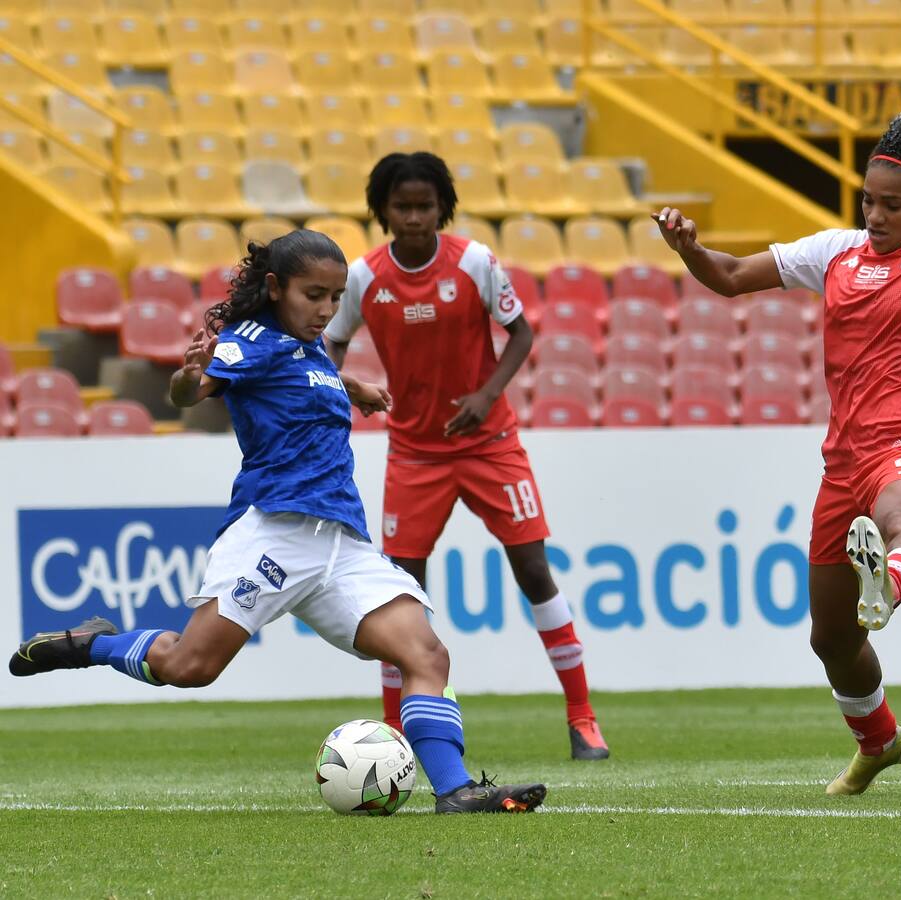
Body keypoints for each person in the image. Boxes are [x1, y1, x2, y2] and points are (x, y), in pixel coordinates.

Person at [8, 230, 547, 814]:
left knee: (426, 654)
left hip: (341, 544)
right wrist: (189, 378)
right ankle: (95, 643)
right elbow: (197, 389)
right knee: (190, 668)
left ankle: (455, 790)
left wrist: (353, 386)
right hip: (272, 534)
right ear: (275, 287)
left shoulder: (307, 347)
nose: (325, 310)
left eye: (336, 297)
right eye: (313, 294)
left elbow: (300, 375)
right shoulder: (251, 341)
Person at [655, 109, 901, 795]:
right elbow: (727, 276)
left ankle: (891, 580)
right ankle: (879, 742)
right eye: (868, 199)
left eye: (892, 204)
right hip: (841, 466)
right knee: (831, 640)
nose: (874, 214)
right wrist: (689, 248)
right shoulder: (833, 253)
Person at [322, 152, 609, 761]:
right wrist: (341, 394)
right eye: (402, 207)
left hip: (490, 444)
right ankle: (395, 734)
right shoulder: (362, 278)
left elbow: (522, 332)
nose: (414, 218)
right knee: (400, 595)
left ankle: (582, 717)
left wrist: (487, 394)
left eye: (425, 206)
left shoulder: (474, 262)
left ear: (441, 208)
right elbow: (329, 349)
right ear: (383, 211)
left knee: (534, 569)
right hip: (415, 455)